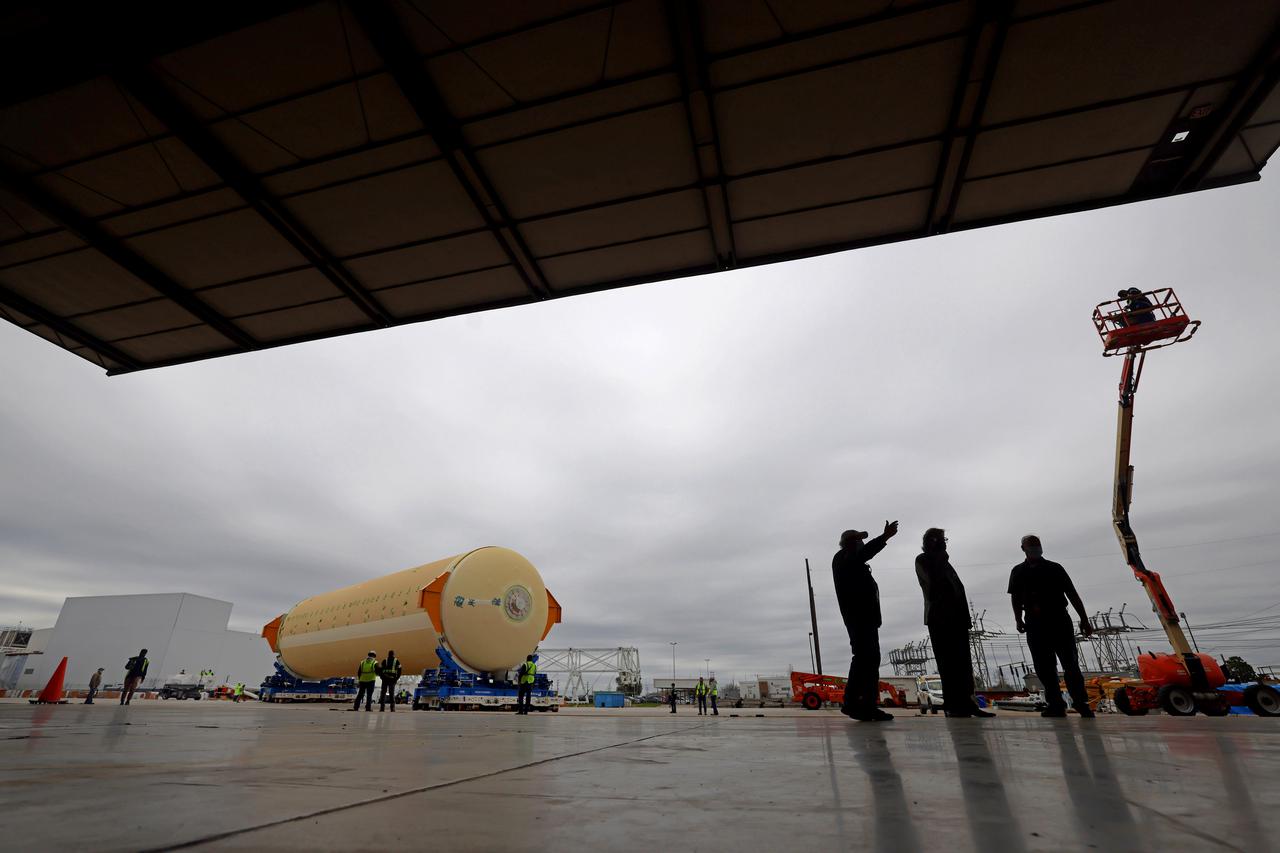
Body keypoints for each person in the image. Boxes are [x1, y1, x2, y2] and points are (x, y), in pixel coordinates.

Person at [1009, 535, 1095, 718]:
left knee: (1070, 664)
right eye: (1030, 545)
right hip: (1035, 623)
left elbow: (1072, 594)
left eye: (1036, 545)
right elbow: (1015, 598)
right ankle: (1056, 704)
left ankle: (1081, 703)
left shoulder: (1054, 568)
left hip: (1059, 620)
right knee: (1044, 666)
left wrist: (1084, 619)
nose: (1034, 548)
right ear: (1022, 548)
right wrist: (1018, 619)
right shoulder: (1018, 572)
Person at [914, 529, 994, 718]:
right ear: (931, 542)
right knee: (948, 664)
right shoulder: (924, 560)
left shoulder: (945, 563)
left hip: (957, 619)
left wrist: (966, 619)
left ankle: (969, 703)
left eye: (944, 540)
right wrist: (939, 557)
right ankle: (954, 705)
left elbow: (958, 591)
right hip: (939, 618)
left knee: (964, 664)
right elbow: (934, 585)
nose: (944, 543)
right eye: (940, 540)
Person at [832, 520, 899, 722]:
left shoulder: (852, 560)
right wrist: (884, 537)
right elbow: (864, 552)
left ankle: (864, 704)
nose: (861, 543)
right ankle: (857, 703)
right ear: (849, 543)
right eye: (857, 540)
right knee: (865, 658)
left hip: (865, 619)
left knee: (869, 659)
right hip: (859, 618)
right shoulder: (844, 557)